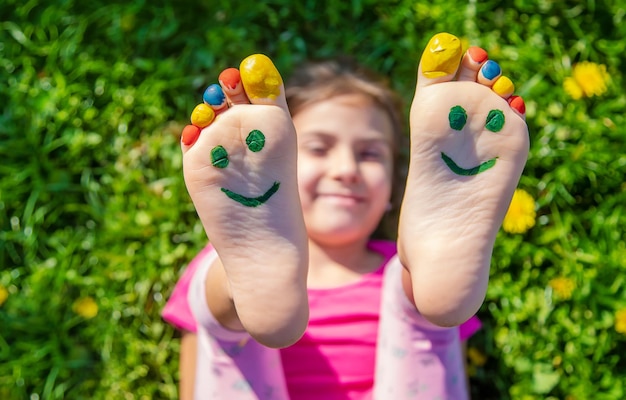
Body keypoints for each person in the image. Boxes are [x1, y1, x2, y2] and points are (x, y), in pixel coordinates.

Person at [163, 32, 529, 400]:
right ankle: (235, 292)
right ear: (279, 164)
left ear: (399, 184)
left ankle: (423, 281)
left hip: (409, 283)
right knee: (222, 281)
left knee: (423, 291)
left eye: (369, 154)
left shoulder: (400, 267)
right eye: (319, 148)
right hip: (246, 271)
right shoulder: (234, 248)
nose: (346, 169)